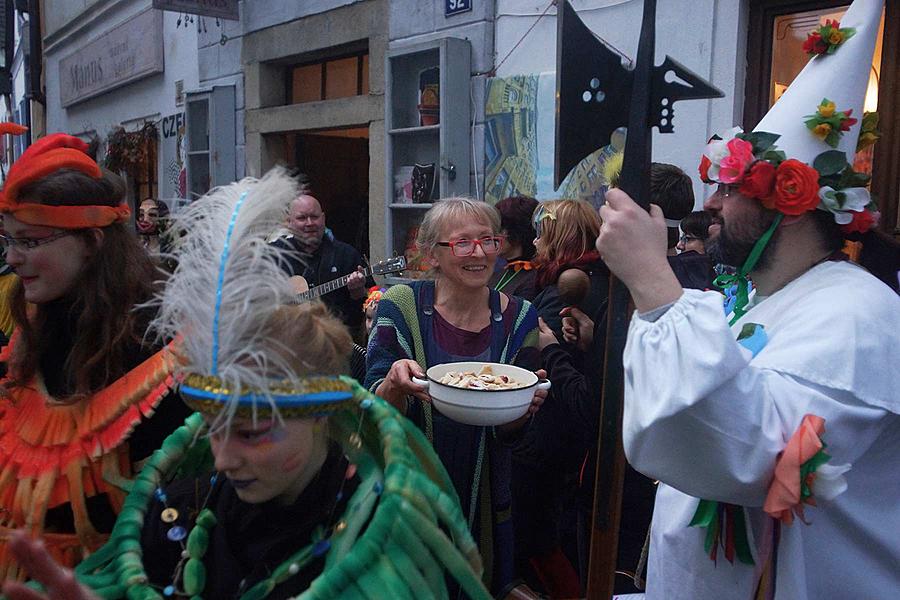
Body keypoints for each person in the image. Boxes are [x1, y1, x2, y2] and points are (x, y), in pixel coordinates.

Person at [2, 168, 492, 600]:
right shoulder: (174, 513)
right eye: (215, 427)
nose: (221, 458)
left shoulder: (377, 540)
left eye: (253, 432)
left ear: (321, 414)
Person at [595, 1, 899, 597]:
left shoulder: (859, 316)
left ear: (785, 207)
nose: (712, 203)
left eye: (730, 189)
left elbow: (741, 454)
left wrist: (653, 282)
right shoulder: (756, 298)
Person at [0, 134, 191, 580]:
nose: (12, 257)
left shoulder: (156, 345)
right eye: (8, 239)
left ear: (91, 241)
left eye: (30, 241)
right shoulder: (34, 333)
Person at [363, 197, 546, 594]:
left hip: (483, 500)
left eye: (488, 240)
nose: (479, 253)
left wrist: (523, 407)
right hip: (407, 497)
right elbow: (371, 409)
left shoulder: (521, 317)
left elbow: (512, 435)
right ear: (432, 253)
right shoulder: (401, 305)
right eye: (462, 243)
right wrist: (393, 383)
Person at [270, 192, 373, 334]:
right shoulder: (274, 254)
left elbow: (369, 303)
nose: (309, 223)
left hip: (335, 339)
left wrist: (358, 292)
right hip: (285, 337)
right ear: (289, 222)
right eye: (302, 218)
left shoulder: (346, 255)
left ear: (323, 219)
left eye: (314, 217)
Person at [530, 199, 609, 336]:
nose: (535, 241)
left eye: (540, 233)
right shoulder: (602, 276)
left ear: (557, 240)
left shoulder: (567, 289)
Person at [489, 195, 539, 301]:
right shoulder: (496, 271)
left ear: (516, 233)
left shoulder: (534, 280)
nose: (492, 236)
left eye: (498, 229)